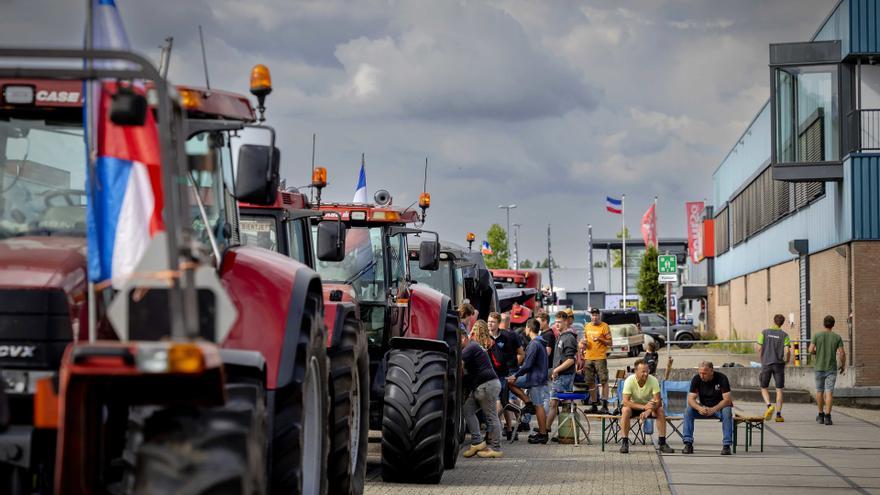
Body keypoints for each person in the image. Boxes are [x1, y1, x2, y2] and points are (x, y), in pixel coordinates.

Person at [461, 323, 503, 458]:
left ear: (462, 338)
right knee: (467, 410)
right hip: (481, 386)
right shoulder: (472, 346)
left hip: (486, 386)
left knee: (491, 417)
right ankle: (477, 442)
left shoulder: (469, 347)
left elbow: (459, 365)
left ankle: (496, 449)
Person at [619, 359, 674, 454]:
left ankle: (662, 442)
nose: (646, 374)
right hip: (634, 406)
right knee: (625, 410)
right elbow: (625, 402)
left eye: (647, 371)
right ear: (636, 371)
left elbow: (658, 401)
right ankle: (624, 442)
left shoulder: (653, 380)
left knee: (660, 410)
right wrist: (644, 408)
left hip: (650, 407)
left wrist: (648, 410)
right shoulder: (629, 381)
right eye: (643, 372)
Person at [508, 319, 549, 444]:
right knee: (510, 382)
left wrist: (516, 375)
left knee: (539, 406)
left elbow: (528, 364)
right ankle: (528, 402)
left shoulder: (534, 344)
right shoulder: (540, 342)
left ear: (529, 328)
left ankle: (543, 434)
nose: (525, 330)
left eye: (526, 328)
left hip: (535, 379)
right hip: (536, 377)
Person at [682, 361, 734, 455]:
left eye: (704, 373)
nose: (702, 376)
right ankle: (688, 443)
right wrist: (699, 408)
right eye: (700, 373)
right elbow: (690, 399)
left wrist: (713, 409)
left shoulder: (722, 378)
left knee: (727, 410)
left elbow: (727, 400)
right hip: (704, 409)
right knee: (688, 410)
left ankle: (726, 445)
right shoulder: (696, 379)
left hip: (719, 409)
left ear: (711, 371)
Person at [487, 312, 524, 440]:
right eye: (489, 321)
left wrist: (512, 370)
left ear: (499, 324)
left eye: (492, 322)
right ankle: (508, 428)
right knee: (503, 402)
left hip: (505, 375)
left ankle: (493, 431)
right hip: (489, 376)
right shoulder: (484, 337)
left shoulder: (508, 337)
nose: (490, 324)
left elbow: (520, 354)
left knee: (502, 401)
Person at [544, 310, 578, 441]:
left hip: (564, 376)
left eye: (559, 322)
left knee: (554, 403)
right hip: (561, 375)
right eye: (555, 322)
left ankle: (545, 431)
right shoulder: (560, 336)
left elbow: (570, 360)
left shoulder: (568, 337)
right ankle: (558, 431)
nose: (556, 325)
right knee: (560, 405)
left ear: (566, 321)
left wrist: (556, 370)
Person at [809, 315, 846, 426]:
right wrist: (843, 365)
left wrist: (817, 353)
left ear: (824, 324)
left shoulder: (817, 335)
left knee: (820, 391)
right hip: (831, 368)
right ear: (833, 324)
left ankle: (820, 415)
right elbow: (842, 353)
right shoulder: (837, 337)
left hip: (819, 368)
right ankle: (828, 417)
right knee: (829, 392)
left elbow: (810, 350)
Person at [757, 314, 791, 422]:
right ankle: (778, 415)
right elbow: (787, 351)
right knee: (779, 390)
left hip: (766, 363)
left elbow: (758, 347)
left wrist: (763, 356)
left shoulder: (764, 332)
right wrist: (787, 360)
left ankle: (769, 406)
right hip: (779, 365)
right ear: (782, 323)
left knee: (763, 387)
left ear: (774, 321)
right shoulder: (785, 335)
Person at [581, 308, 612, 414]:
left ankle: (604, 405)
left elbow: (610, 342)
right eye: (593, 315)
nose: (594, 317)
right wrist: (583, 343)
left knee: (604, 381)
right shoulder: (587, 326)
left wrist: (600, 339)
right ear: (590, 316)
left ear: (599, 316)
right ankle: (594, 404)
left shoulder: (604, 326)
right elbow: (583, 341)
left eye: (596, 315)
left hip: (600, 358)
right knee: (590, 382)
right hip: (588, 357)